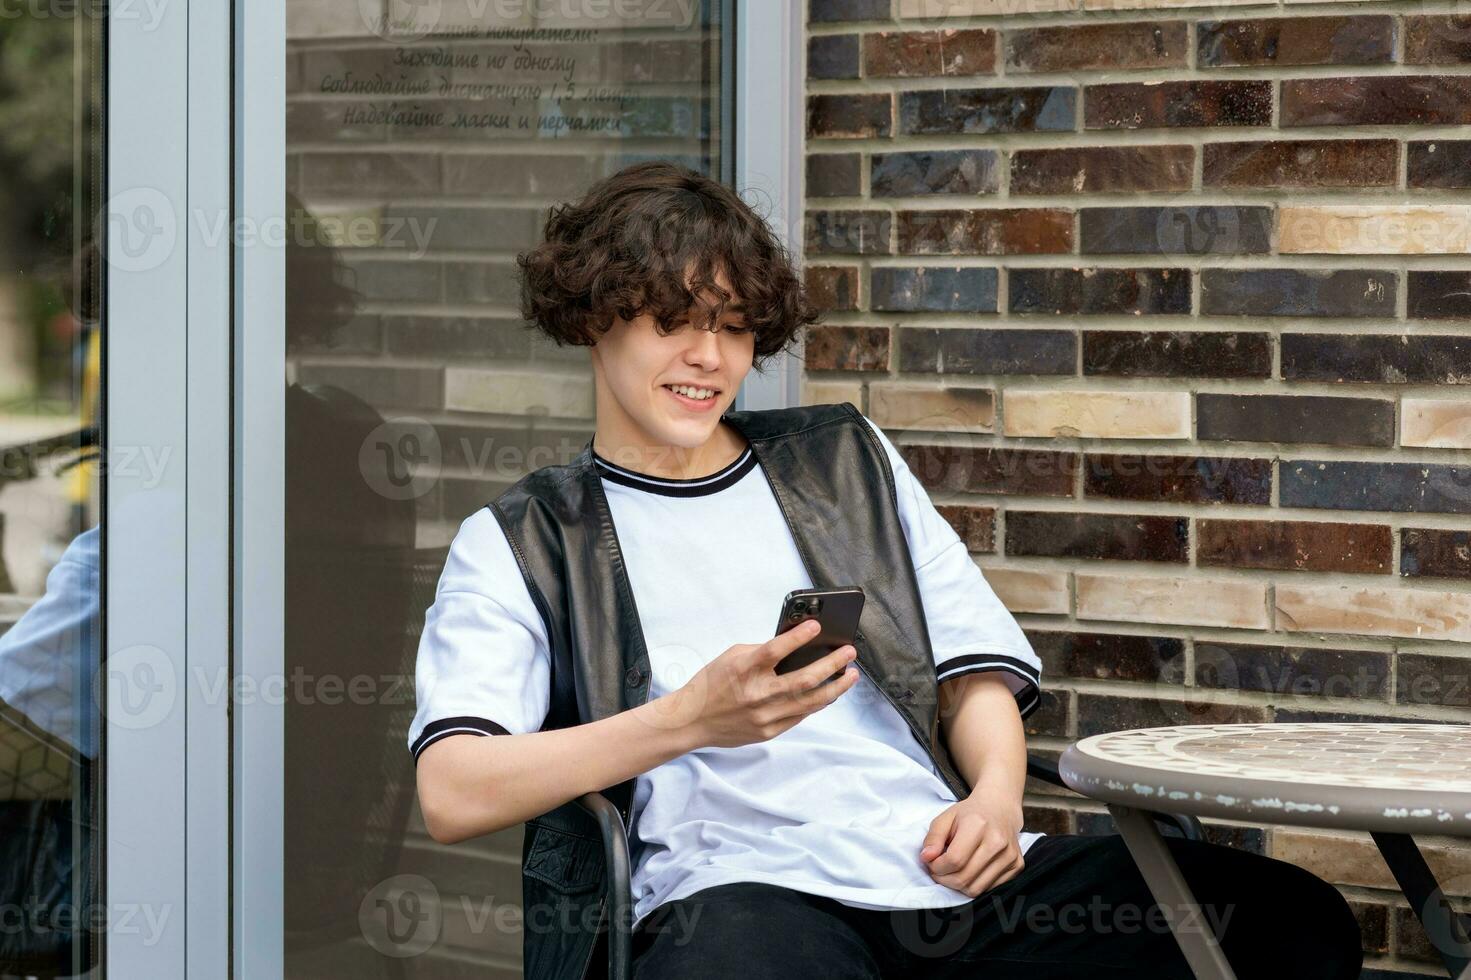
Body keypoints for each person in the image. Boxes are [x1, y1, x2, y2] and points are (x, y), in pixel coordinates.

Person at [407, 161, 1363, 979]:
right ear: (593, 321)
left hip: (938, 869)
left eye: (735, 327)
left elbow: (969, 669)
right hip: (740, 896)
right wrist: (685, 722)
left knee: (1284, 921)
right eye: (672, 321)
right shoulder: (527, 536)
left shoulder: (843, 462)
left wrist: (993, 797)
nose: (709, 358)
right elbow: (454, 792)